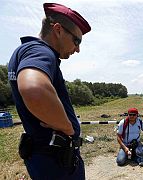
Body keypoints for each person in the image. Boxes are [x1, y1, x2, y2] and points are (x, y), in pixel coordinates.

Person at [7, 3, 90, 180]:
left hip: (44, 159)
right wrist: (67, 127)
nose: (78, 49)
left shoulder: (24, 51)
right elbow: (34, 89)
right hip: (56, 162)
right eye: (77, 40)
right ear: (58, 30)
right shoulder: (41, 51)